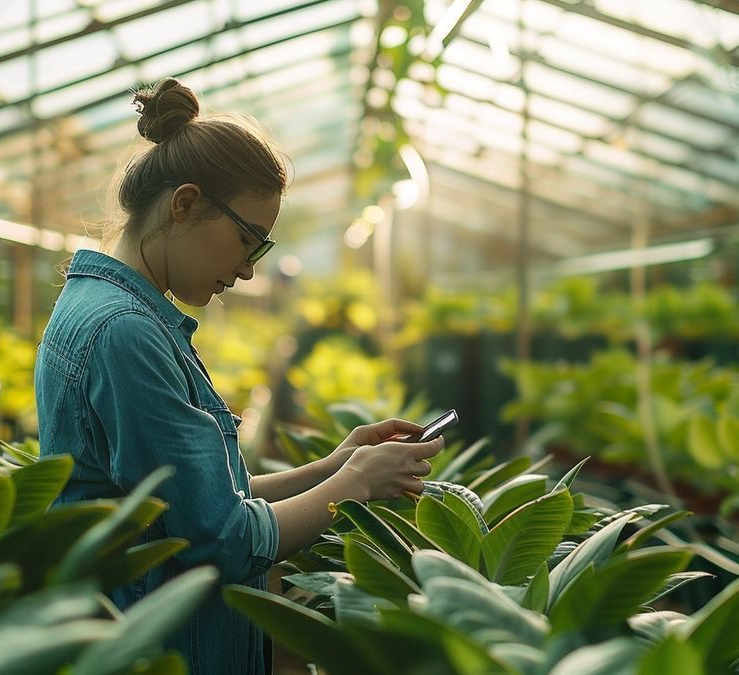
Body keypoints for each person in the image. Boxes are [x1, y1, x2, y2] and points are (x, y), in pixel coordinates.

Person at [33, 77, 444, 675]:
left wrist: (332, 467)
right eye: (246, 241)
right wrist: (352, 485)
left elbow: (191, 503)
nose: (247, 272)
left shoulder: (108, 310)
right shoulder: (126, 332)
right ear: (185, 203)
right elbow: (222, 538)